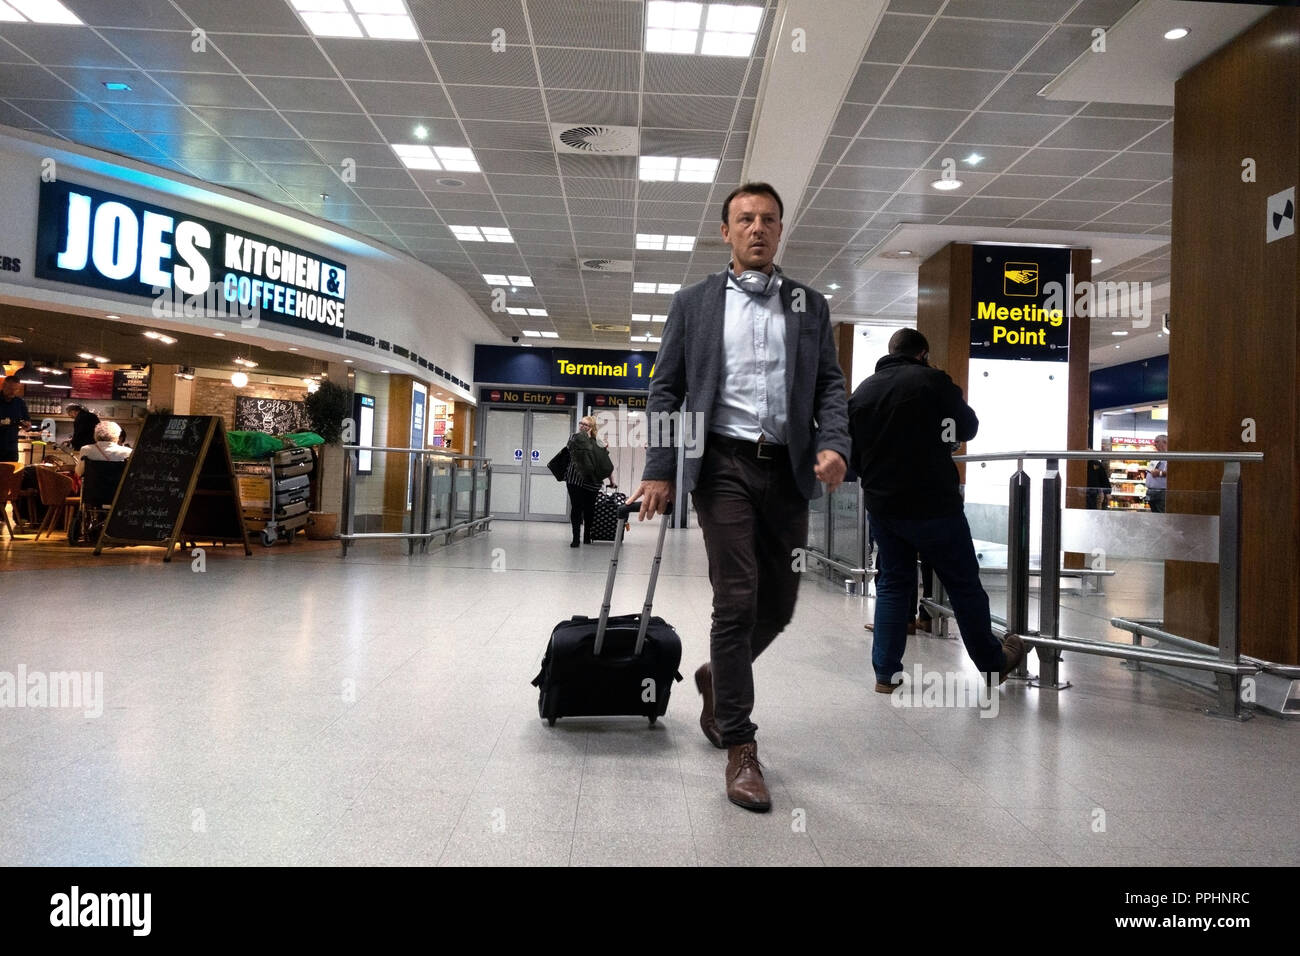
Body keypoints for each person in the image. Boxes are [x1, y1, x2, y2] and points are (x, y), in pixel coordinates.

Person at [630, 182, 850, 813]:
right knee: (737, 596)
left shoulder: (810, 305)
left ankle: (716, 679)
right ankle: (742, 748)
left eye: (769, 220)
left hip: (786, 469)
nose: (757, 228)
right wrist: (660, 467)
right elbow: (666, 390)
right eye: (745, 219)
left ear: (781, 232)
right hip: (720, 461)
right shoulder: (694, 303)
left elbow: (831, 385)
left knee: (778, 606)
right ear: (725, 232)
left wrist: (834, 441)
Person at [849, 328, 1025, 694]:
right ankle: (992, 665)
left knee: (893, 585)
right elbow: (968, 427)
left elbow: (851, 457)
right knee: (962, 584)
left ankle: (886, 673)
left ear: (891, 351)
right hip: (934, 504)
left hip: (884, 506)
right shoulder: (933, 381)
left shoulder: (863, 391)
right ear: (923, 354)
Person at [565, 415, 612, 547]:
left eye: (586, 425)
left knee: (589, 508)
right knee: (576, 507)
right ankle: (575, 538)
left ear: (592, 427)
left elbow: (604, 462)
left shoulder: (598, 441)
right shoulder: (574, 437)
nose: (582, 426)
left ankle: (587, 535)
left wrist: (611, 479)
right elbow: (571, 450)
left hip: (592, 480)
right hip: (574, 478)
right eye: (581, 423)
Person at [0, 376, 31, 464]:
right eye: (10, 388)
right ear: (3, 386)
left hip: (11, 447)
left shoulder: (19, 402)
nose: (13, 392)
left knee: (11, 474)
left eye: (16, 389)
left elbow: (27, 420)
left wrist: (27, 425)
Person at [1146, 434, 1167, 513]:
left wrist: (1160, 473)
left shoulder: (1170, 456)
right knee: (1154, 514)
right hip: (1151, 491)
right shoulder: (1156, 455)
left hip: (1161, 492)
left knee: (1161, 514)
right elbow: (1150, 470)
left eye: (1157, 442)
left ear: (1165, 442)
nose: (1155, 444)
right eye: (1155, 442)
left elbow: (1173, 473)